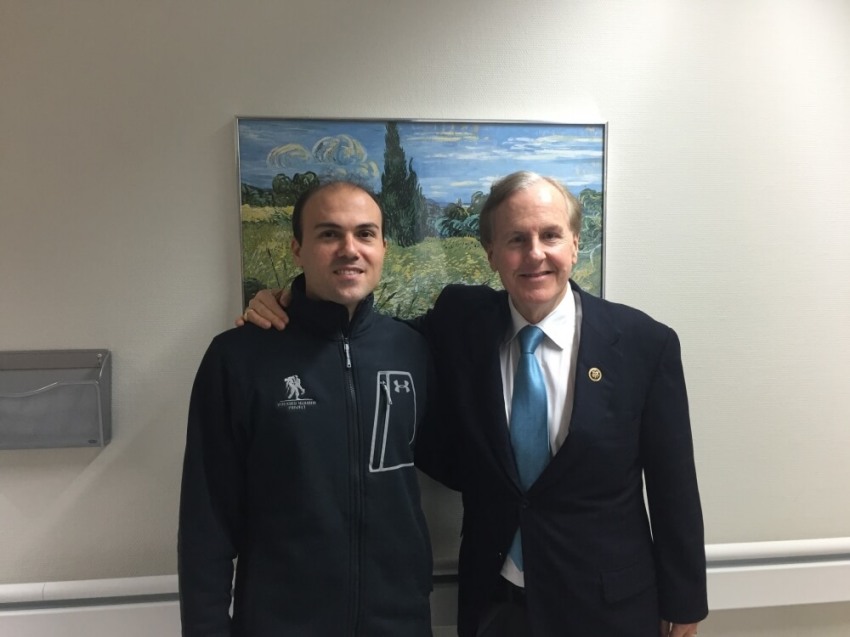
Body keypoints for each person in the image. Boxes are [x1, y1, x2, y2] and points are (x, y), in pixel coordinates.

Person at [241, 172, 708, 637]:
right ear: (490, 254)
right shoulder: (460, 322)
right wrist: (289, 302)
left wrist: (685, 601)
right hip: (494, 601)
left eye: (550, 235)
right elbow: (368, 340)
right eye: (516, 239)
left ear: (574, 242)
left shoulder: (645, 344)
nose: (535, 254)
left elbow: (673, 484)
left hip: (608, 606)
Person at [179, 181, 435, 636]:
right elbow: (206, 519)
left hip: (399, 621)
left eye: (365, 234)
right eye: (328, 234)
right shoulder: (238, 358)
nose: (349, 249)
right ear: (297, 248)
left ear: (384, 248)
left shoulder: (413, 349)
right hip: (281, 622)